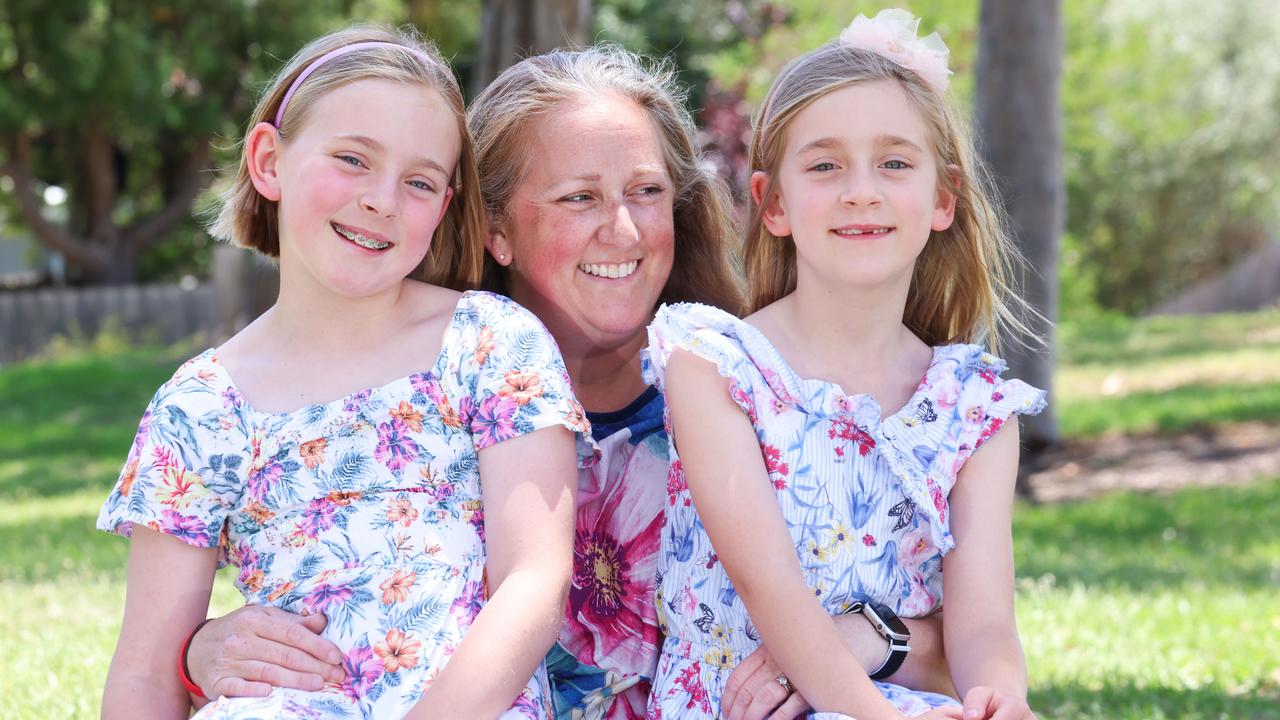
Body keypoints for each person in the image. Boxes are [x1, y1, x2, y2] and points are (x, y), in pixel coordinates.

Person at [179, 45, 955, 720]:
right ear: (493, 227)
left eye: (647, 193)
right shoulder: (422, 410)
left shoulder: (758, 394)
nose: (622, 230)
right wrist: (201, 654)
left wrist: (867, 637)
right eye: (578, 197)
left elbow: (964, 653)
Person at [96, 25, 592, 720]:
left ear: (444, 206)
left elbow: (534, 580)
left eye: (419, 181)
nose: (381, 200)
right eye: (353, 159)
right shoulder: (201, 406)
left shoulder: (488, 344)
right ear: (268, 160)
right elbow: (147, 674)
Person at [643, 10, 1045, 720]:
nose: (861, 189)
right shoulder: (715, 364)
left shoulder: (973, 408)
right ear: (773, 206)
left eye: (894, 162)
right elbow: (774, 598)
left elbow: (981, 624)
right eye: (825, 166)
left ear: (942, 198)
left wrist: (999, 700)